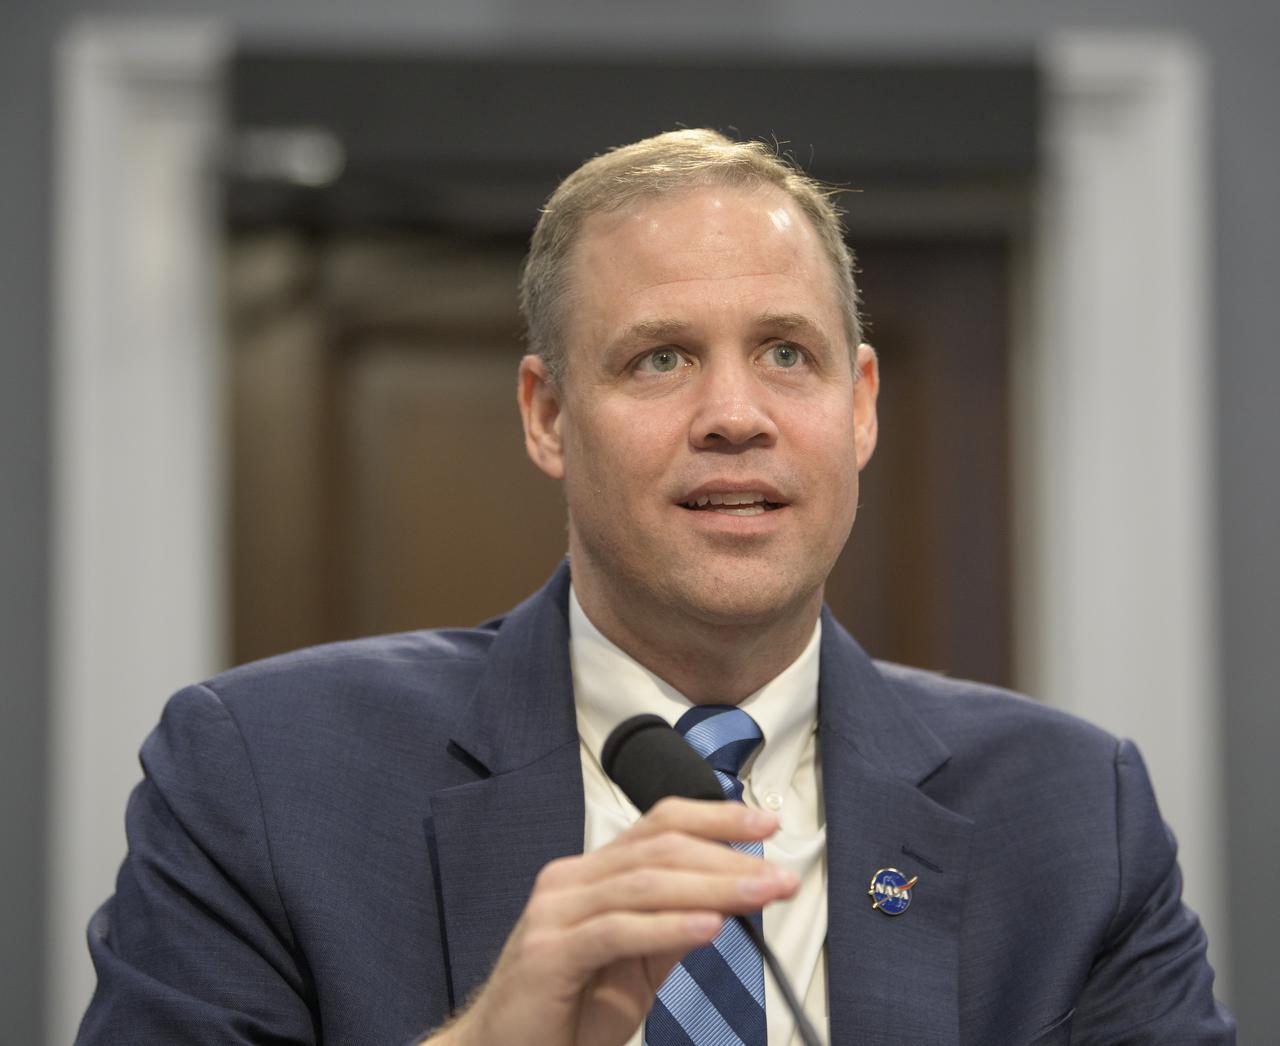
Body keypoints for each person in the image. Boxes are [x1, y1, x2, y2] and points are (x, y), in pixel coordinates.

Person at [77, 129, 1234, 1045]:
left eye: (787, 352)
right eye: (659, 358)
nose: (734, 414)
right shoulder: (262, 776)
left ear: (861, 403)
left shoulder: (1076, 815)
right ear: (546, 415)